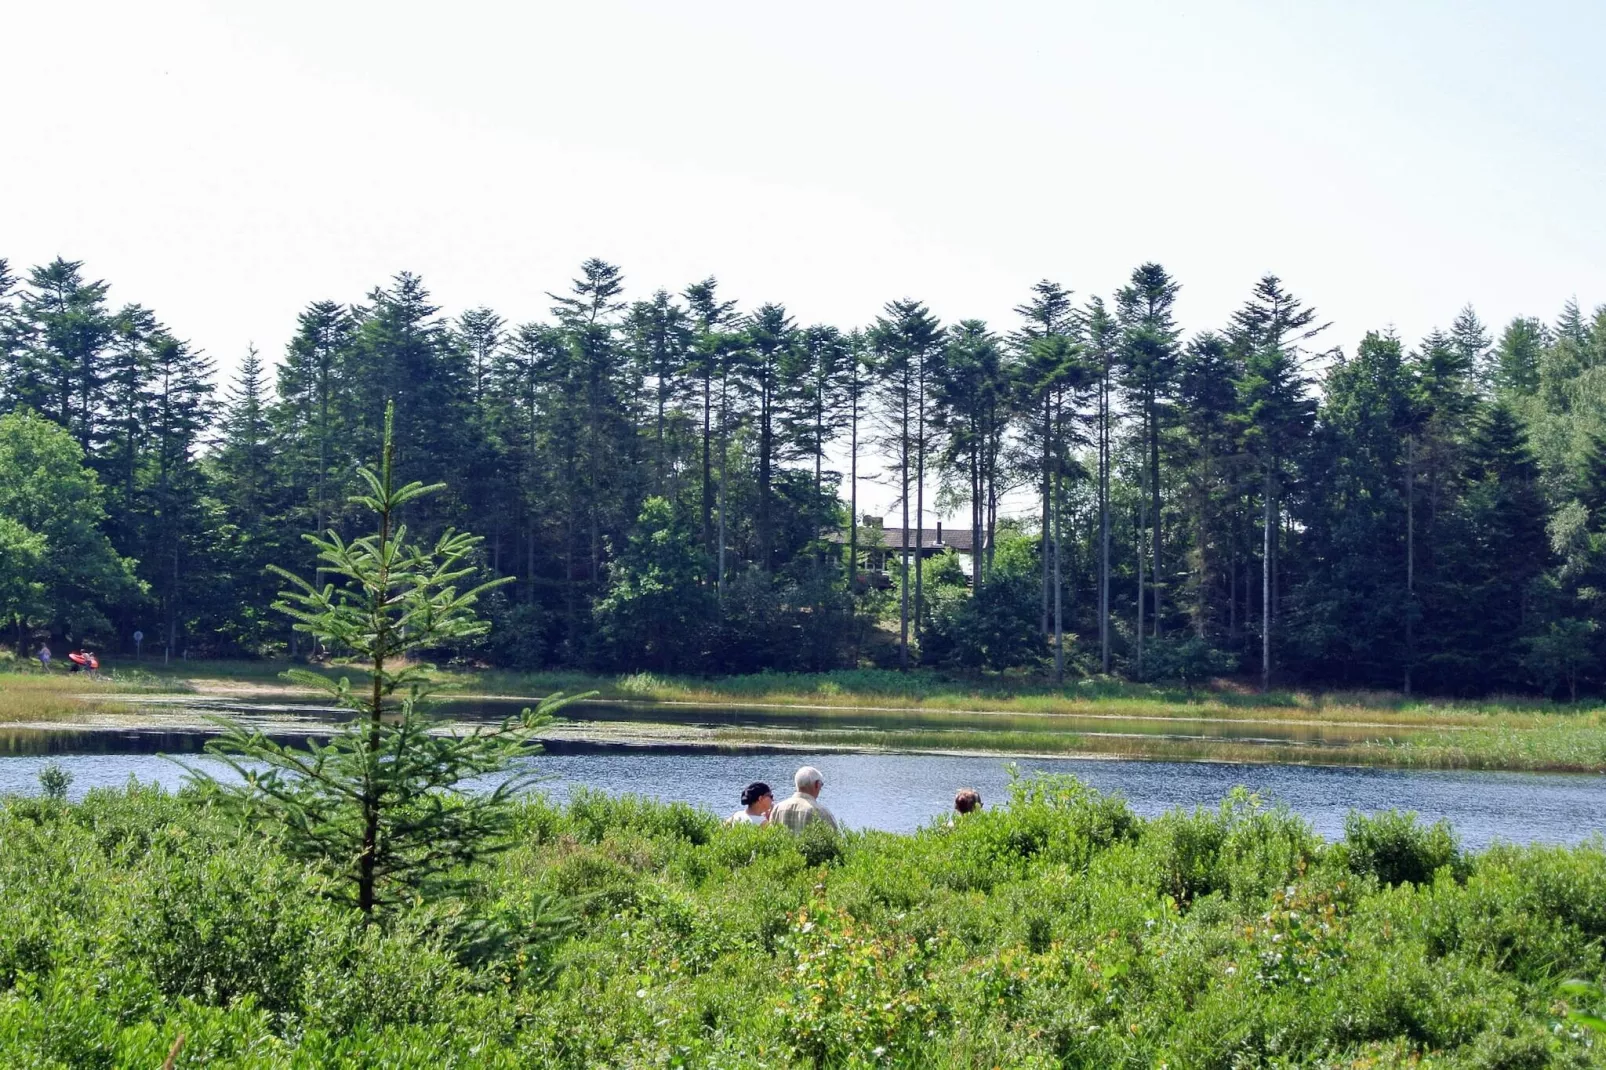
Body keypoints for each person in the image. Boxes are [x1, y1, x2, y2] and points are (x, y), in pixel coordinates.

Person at [770, 766, 838, 833]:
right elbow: (834, 840)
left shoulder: (777, 809)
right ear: (817, 784)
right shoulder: (820, 812)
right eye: (821, 784)